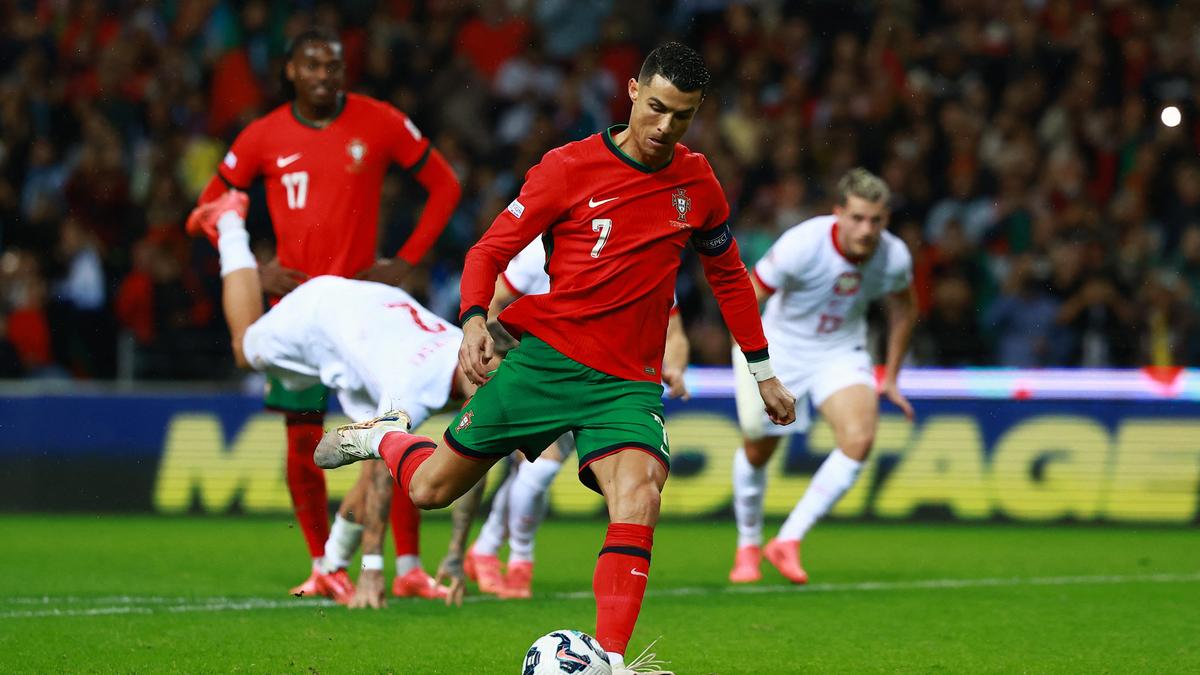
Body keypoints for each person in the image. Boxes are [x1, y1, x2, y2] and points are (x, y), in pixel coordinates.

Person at [315, 42, 795, 674]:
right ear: (630, 91)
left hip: (626, 383)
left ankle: (612, 663)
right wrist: (473, 320)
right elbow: (488, 250)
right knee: (431, 490)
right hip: (546, 362)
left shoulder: (697, 181)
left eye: (682, 115)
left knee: (641, 492)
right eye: (655, 108)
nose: (664, 127)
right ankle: (382, 439)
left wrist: (762, 372)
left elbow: (729, 277)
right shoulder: (568, 168)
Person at [190, 26, 461, 597]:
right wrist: (259, 271)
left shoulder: (379, 121)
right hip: (297, 307)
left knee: (390, 433)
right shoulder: (264, 136)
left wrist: (406, 262)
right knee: (312, 436)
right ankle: (323, 563)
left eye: (333, 65)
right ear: (290, 70)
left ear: (344, 70)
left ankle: (406, 566)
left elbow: (445, 186)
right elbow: (209, 194)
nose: (323, 76)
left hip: (366, 310)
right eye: (311, 65)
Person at [186, 189, 478, 607]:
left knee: (378, 454)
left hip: (368, 328)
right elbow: (382, 474)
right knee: (243, 348)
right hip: (321, 312)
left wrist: (454, 555)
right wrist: (372, 570)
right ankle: (230, 220)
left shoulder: (469, 353)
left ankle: (328, 568)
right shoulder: (412, 382)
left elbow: (478, 459)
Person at [464, 240, 692, 599]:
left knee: (533, 472)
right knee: (540, 468)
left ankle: (485, 548)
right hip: (543, 372)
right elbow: (493, 301)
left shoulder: (650, 260)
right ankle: (518, 559)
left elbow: (674, 332)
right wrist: (502, 360)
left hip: (605, 382)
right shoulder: (546, 252)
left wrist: (675, 367)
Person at [727, 168, 917, 585]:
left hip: (840, 351)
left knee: (859, 440)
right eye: (858, 218)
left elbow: (905, 308)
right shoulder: (802, 244)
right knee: (759, 451)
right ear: (839, 214)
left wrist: (892, 376)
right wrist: (758, 368)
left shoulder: (895, 255)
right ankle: (748, 545)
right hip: (778, 348)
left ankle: (788, 540)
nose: (867, 230)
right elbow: (747, 297)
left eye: (876, 220)